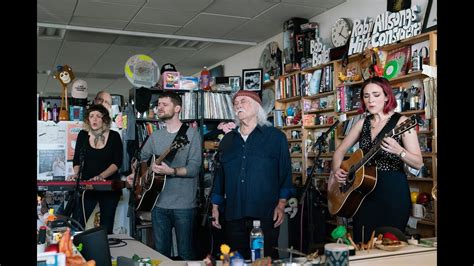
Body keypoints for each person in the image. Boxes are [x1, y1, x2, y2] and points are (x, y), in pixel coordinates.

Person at [329, 76, 423, 243]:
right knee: (362, 244)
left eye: (376, 95)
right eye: (366, 96)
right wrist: (337, 170)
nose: (370, 100)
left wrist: (399, 151)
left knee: (390, 245)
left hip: (393, 193)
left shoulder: (402, 122)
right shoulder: (362, 123)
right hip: (363, 194)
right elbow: (340, 151)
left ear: (387, 96)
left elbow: (418, 162)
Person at [211, 90, 294, 260]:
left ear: (257, 108)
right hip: (234, 214)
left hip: (265, 214)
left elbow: (285, 173)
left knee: (264, 259)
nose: (238, 105)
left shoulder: (276, 138)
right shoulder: (227, 141)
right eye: (236, 103)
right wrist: (215, 206)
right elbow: (220, 177)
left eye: (243, 101)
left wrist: (281, 204)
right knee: (236, 260)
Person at [137, 91, 202, 260]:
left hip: (184, 206)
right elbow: (141, 159)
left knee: (186, 252)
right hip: (158, 204)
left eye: (164, 105)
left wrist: (171, 171)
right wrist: (144, 174)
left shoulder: (191, 135)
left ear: (177, 108)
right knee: (161, 253)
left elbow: (194, 168)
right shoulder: (155, 136)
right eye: (158, 104)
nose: (159, 108)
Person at [67, 104, 123, 234]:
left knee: (106, 227)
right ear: (88, 119)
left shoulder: (114, 136)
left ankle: (104, 252)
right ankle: (77, 252)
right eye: (91, 116)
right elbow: (77, 160)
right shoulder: (83, 135)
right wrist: (77, 174)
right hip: (87, 186)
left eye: (98, 116)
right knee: (77, 223)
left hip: (108, 187)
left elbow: (117, 163)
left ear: (105, 120)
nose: (95, 119)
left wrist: (101, 177)